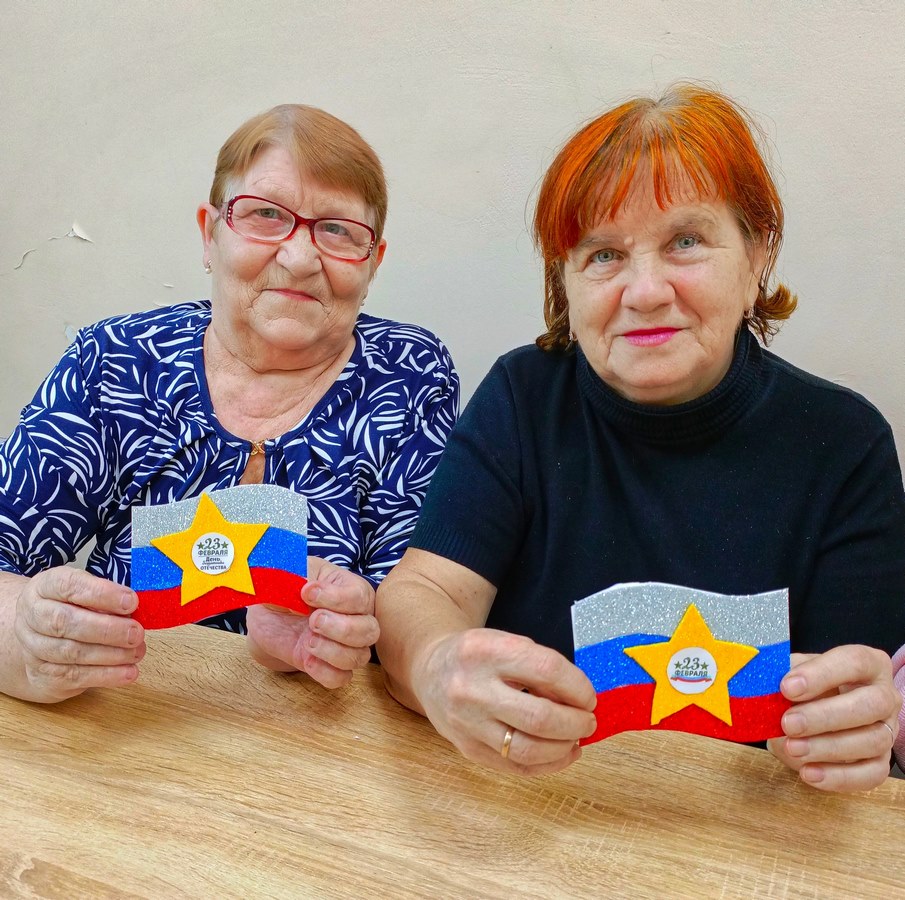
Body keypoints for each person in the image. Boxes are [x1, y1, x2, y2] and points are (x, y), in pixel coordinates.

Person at [376, 84, 905, 793]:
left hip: (741, 825)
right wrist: (435, 664)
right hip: (528, 803)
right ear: (565, 282)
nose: (645, 291)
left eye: (685, 242)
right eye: (603, 254)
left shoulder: (844, 443)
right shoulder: (523, 398)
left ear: (756, 256)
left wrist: (848, 731)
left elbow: (852, 706)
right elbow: (425, 589)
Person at [0, 104, 458, 703]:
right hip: (123, 713)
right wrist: (21, 630)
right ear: (209, 233)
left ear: (374, 262)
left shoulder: (410, 376)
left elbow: (416, 605)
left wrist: (334, 631)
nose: (300, 258)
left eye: (338, 230)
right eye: (266, 215)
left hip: (316, 730)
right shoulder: (116, 360)